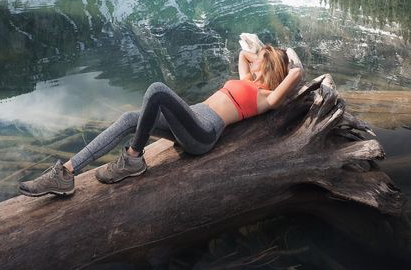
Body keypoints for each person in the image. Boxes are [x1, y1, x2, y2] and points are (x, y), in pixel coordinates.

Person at [18, 36, 304, 197]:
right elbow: (243, 57)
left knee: (156, 90)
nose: (254, 69)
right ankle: (66, 173)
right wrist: (258, 51)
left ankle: (132, 159)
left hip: (202, 133)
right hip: (190, 118)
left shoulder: (267, 98)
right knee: (131, 117)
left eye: (261, 66)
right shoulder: (249, 81)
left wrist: (289, 59)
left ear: (271, 71)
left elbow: (295, 74)